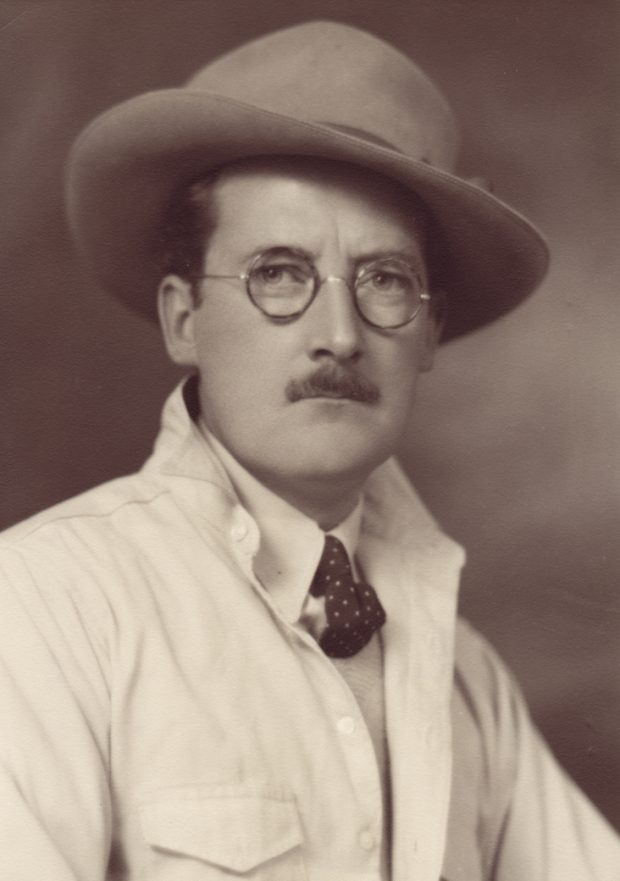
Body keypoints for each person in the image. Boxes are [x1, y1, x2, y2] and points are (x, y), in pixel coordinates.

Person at [0, 20, 617, 881]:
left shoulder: (466, 675)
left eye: (385, 280)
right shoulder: (49, 605)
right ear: (184, 317)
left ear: (430, 332)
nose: (340, 335)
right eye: (279, 272)